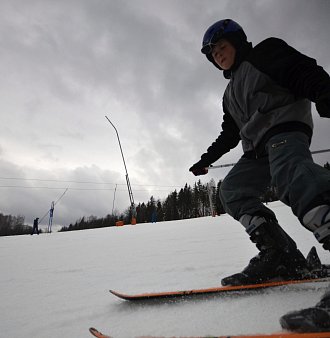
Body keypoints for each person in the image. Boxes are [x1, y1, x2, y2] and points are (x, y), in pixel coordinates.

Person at [189, 19, 330, 332]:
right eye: (212, 55)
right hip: (257, 151)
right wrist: (206, 160)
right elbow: (230, 133)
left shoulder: (265, 53)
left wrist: (324, 91)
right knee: (232, 191)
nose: (217, 56)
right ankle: (280, 256)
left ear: (237, 42)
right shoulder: (229, 93)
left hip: (284, 131)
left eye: (221, 47)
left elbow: (301, 70)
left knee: (294, 177)